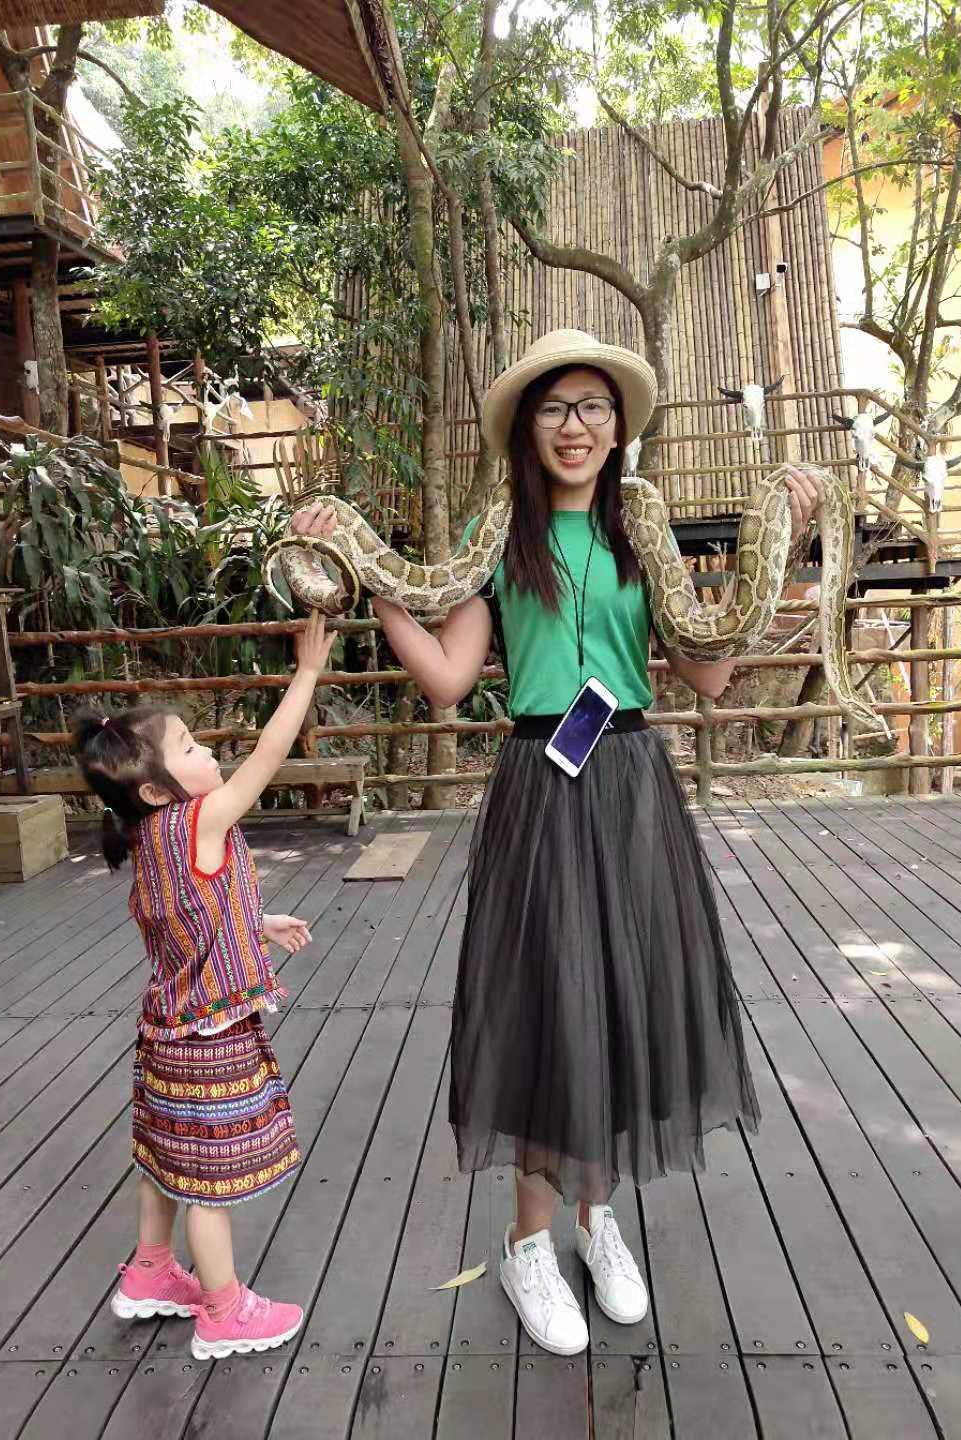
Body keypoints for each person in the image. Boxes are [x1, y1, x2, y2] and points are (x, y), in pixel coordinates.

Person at [292, 328, 821, 1358]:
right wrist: (374, 574)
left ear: (618, 426)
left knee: (621, 1002)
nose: (574, 426)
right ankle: (529, 1243)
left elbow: (710, 674)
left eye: (592, 407)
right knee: (547, 1007)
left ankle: (597, 1217)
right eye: (554, 407)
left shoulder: (641, 528)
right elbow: (449, 685)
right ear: (526, 429)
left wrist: (786, 546)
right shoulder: (498, 539)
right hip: (542, 782)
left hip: (630, 782)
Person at [73, 611, 335, 1361]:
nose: (209, 751)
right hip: (210, 1042)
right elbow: (268, 756)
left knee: (164, 1156)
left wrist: (257, 923)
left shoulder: (146, 837)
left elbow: (191, 920)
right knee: (209, 1184)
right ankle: (224, 1312)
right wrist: (306, 674)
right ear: (157, 791)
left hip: (164, 1035)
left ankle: (151, 1271)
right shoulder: (198, 825)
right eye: (189, 747)